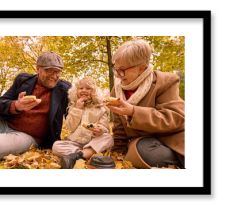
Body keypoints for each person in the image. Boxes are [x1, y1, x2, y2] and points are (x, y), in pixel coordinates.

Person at [0, 51, 71, 162]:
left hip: (28, 136)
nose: (54, 76)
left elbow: (74, 117)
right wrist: (16, 105)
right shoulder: (23, 80)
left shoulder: (64, 90)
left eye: (58, 72)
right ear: (38, 69)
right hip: (4, 123)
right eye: (49, 70)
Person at [107, 39, 185, 168]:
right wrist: (117, 152)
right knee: (144, 149)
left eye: (122, 70)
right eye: (116, 69)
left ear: (141, 68)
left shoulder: (166, 81)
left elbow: (176, 118)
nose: (118, 75)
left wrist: (133, 111)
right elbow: (119, 125)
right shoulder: (116, 90)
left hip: (171, 139)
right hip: (145, 144)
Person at [52, 76, 114, 169]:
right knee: (56, 146)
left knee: (108, 138)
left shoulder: (100, 108)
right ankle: (85, 154)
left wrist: (100, 130)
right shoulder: (73, 107)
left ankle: (77, 156)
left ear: (94, 92)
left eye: (88, 88)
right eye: (81, 88)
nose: (84, 90)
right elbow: (70, 127)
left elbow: (104, 127)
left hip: (93, 141)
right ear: (75, 91)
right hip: (75, 142)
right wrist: (77, 109)